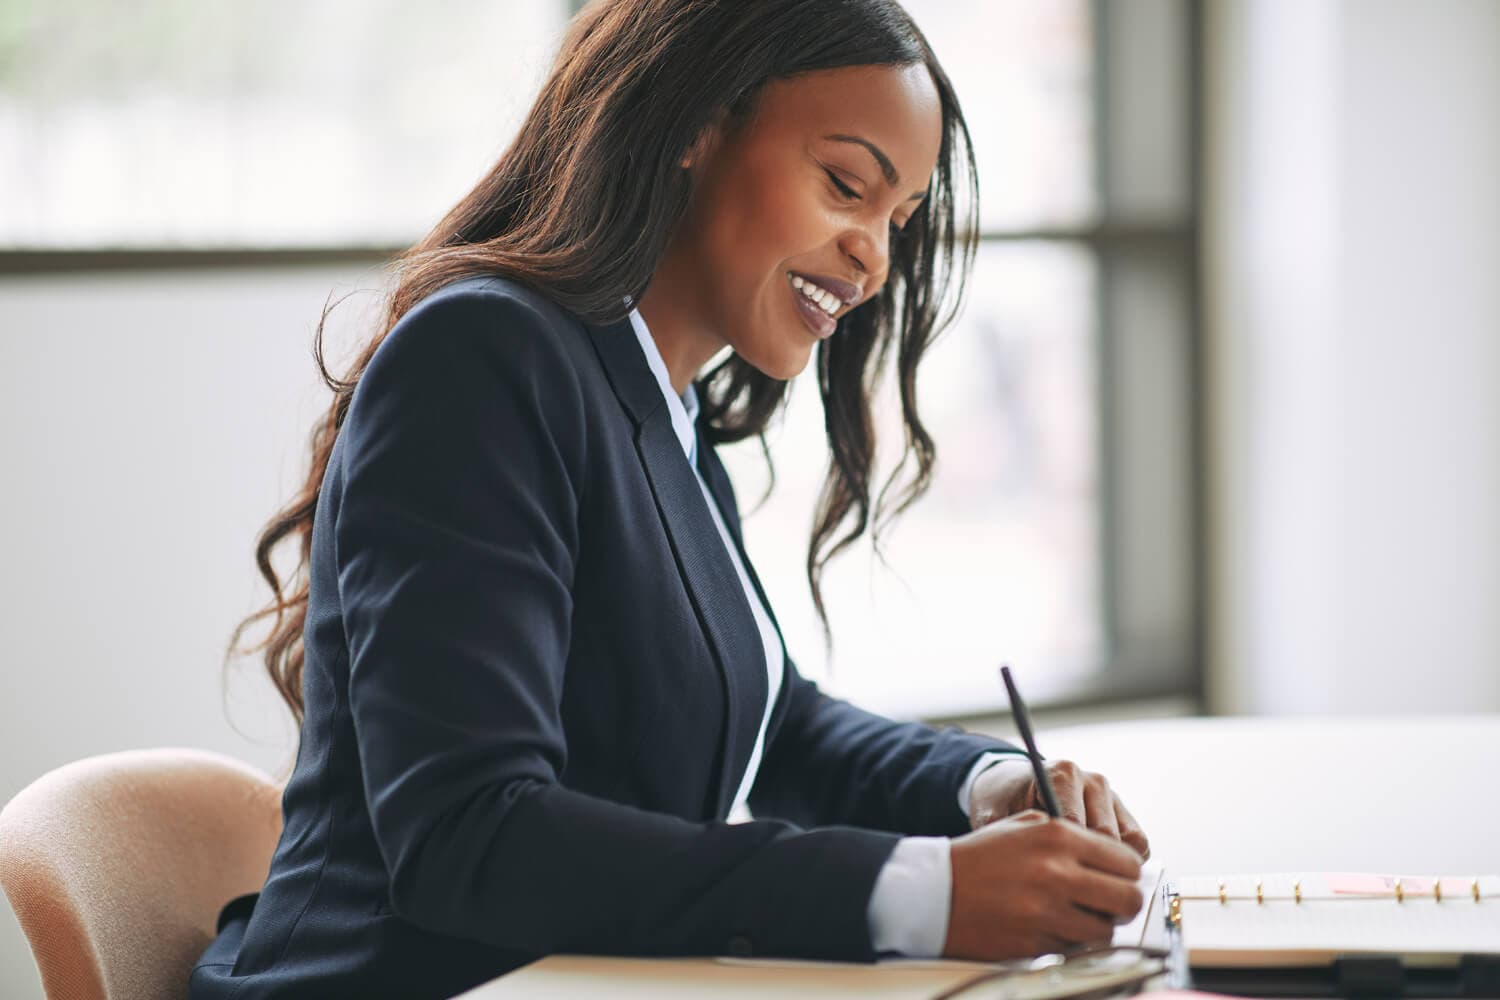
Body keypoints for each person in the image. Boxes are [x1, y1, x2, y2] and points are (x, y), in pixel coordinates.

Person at [191, 1, 1151, 997]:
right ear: (697, 122)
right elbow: (470, 835)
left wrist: (979, 785)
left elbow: (775, 725)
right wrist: (918, 893)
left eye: (896, 221)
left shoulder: (667, 414)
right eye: (845, 184)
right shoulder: (483, 359)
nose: (873, 254)